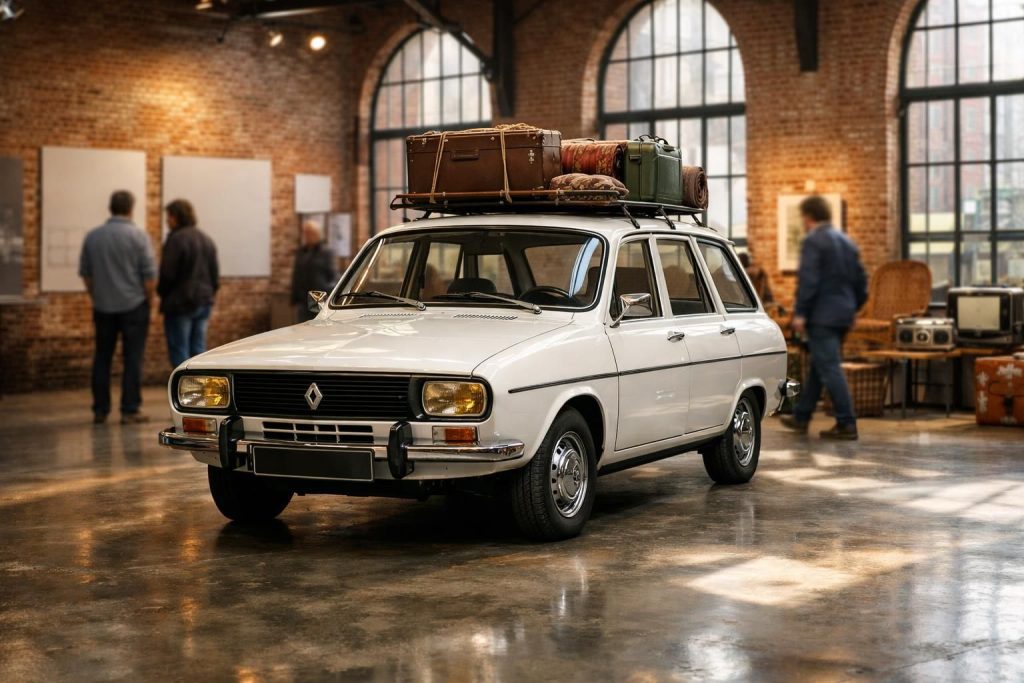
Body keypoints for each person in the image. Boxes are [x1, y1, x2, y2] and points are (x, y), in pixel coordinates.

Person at [780, 195, 868, 440]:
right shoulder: (846, 242)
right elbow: (861, 282)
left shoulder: (813, 241)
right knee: (820, 366)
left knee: (829, 367)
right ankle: (801, 416)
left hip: (822, 316)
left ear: (808, 217)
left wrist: (801, 313)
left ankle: (847, 422)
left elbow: (809, 280)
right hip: (843, 315)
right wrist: (853, 309)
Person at [78, 190, 156, 425]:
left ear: (110, 208)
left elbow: (86, 274)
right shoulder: (139, 236)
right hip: (134, 306)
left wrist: (97, 296)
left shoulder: (93, 237)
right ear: (131, 209)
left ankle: (100, 410)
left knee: (102, 356)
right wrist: (148, 301)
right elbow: (149, 277)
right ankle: (129, 410)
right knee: (133, 358)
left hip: (103, 307)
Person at [158, 199, 219, 368]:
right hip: (204, 301)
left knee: (180, 353)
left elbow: (167, 275)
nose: (167, 221)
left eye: (169, 216)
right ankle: (200, 385)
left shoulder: (175, 240)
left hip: (180, 304)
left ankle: (184, 385)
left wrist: (162, 293)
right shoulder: (206, 239)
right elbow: (214, 277)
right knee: (199, 351)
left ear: (176, 217)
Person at [290, 220, 338, 322]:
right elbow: (296, 274)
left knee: (318, 325)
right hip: (303, 298)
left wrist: (325, 292)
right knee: (303, 326)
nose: (308, 236)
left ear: (318, 234)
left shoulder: (325, 252)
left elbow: (333, 276)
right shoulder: (302, 252)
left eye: (311, 233)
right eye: (306, 233)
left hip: (318, 297)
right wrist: (294, 298)